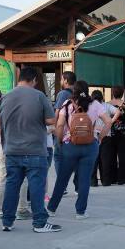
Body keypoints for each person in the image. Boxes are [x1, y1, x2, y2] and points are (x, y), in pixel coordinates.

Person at [0, 66, 59, 233]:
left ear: (20, 78)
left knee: (11, 186)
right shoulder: (39, 96)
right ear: (34, 80)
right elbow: (51, 120)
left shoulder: (4, 98)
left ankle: (7, 221)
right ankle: (40, 223)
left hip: (11, 150)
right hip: (35, 150)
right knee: (36, 187)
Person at [47, 81, 111, 218]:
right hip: (90, 145)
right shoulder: (95, 104)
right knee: (84, 179)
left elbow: (60, 125)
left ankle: (51, 209)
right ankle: (80, 212)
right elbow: (108, 121)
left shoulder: (67, 104)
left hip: (70, 145)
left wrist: (60, 141)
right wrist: (99, 137)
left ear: (74, 91)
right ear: (87, 90)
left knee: (62, 178)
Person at [53, 71, 77, 194]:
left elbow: (57, 112)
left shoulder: (63, 93)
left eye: (62, 79)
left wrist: (54, 127)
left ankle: (62, 186)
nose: (60, 81)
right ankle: (78, 186)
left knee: (58, 157)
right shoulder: (78, 93)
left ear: (66, 81)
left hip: (64, 131)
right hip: (77, 130)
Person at [107, 87, 125, 185]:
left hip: (110, 133)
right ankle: (122, 178)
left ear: (112, 93)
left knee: (111, 156)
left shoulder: (107, 104)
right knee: (123, 157)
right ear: (122, 94)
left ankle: (112, 178)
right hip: (124, 134)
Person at [90, 90, 117, 187]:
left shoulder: (90, 106)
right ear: (102, 97)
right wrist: (111, 121)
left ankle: (93, 181)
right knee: (105, 160)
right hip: (106, 135)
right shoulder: (107, 106)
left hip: (93, 135)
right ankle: (106, 181)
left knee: (94, 159)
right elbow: (118, 111)